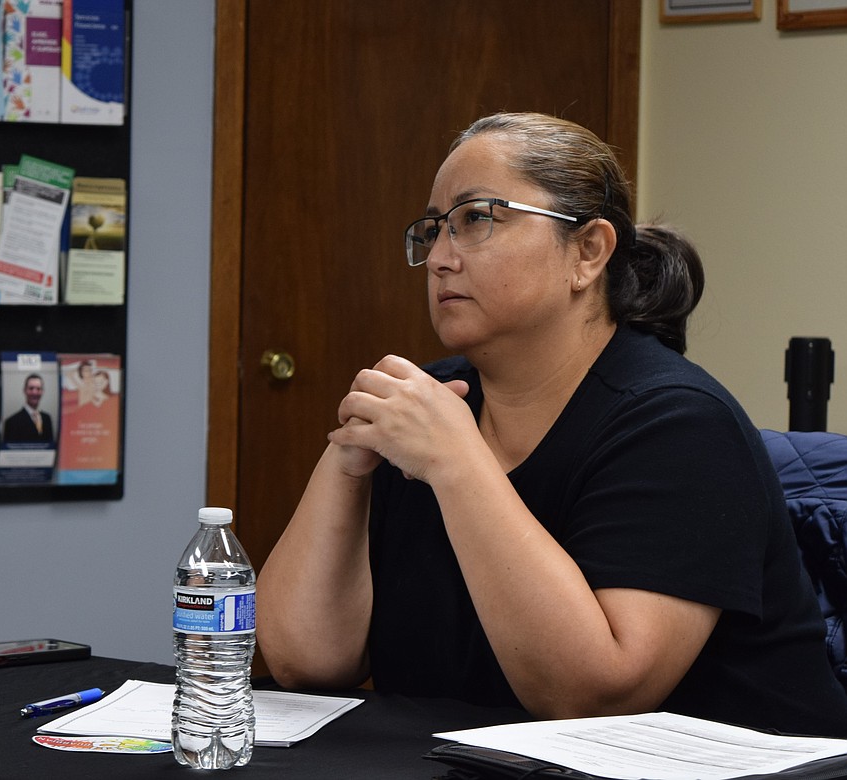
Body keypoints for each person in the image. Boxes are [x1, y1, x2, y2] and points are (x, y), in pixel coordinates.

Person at [255, 111, 847, 738]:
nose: (439, 259)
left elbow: (598, 693)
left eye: (476, 218)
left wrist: (457, 462)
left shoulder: (680, 424)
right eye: (434, 229)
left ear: (588, 252)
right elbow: (304, 660)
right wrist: (347, 463)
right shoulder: (431, 403)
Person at [2, 373, 54, 444]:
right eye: (31, 388)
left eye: (38, 389)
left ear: (42, 392)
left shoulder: (47, 419)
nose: (35, 392)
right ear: (24, 391)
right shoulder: (11, 422)